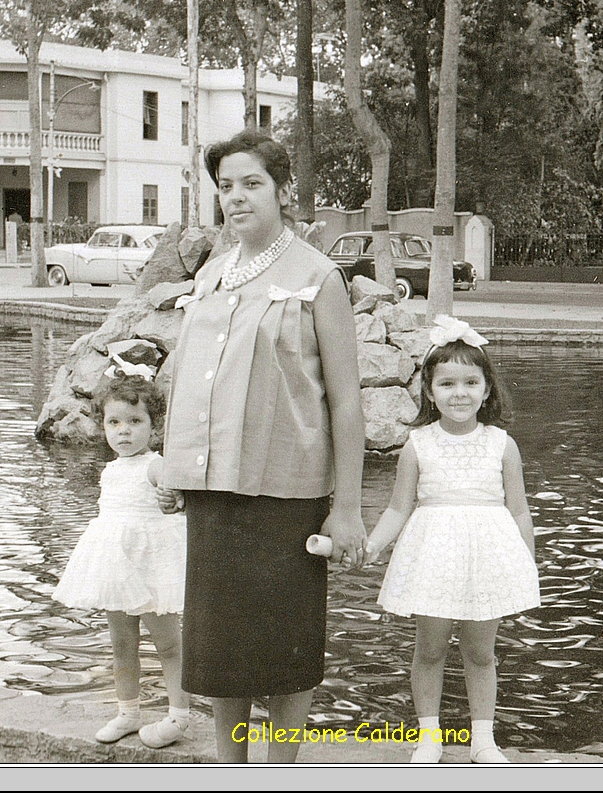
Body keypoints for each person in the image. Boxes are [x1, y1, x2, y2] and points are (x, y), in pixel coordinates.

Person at [158, 128, 367, 763]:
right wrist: (172, 468)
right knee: (221, 651)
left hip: (287, 495)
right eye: (226, 187)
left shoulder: (317, 275)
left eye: (252, 184)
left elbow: (348, 399)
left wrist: (350, 507)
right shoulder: (213, 274)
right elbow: (189, 378)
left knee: (282, 656)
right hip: (213, 492)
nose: (237, 198)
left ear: (283, 190)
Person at [366, 316, 540, 764]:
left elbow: (519, 510)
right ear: (429, 391)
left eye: (469, 382)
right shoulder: (418, 444)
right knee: (430, 647)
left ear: (486, 390)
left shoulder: (503, 444)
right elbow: (398, 509)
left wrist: (525, 566)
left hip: (488, 556)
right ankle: (430, 737)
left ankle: (484, 740)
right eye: (446, 383)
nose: (458, 393)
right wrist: (372, 546)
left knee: (481, 652)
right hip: (434, 557)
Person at [52, 357, 191, 749]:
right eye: (114, 423)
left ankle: (179, 714)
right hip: (116, 565)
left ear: (153, 426)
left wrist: (173, 497)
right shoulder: (110, 469)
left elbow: (175, 492)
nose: (124, 431)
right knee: (121, 643)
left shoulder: (155, 465)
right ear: (103, 427)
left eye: (135, 422)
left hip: (150, 565)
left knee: (167, 643)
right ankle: (128, 712)